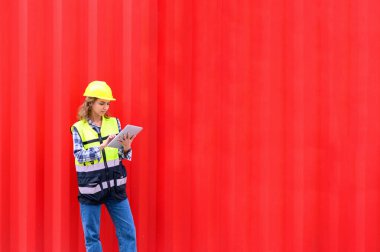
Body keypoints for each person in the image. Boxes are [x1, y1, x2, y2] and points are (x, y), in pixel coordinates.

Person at [70, 80, 137, 252]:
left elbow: (121, 155)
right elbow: (79, 155)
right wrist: (101, 147)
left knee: (128, 233)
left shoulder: (115, 123)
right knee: (92, 237)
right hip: (90, 189)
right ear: (90, 102)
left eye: (108, 103)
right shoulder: (79, 128)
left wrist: (127, 148)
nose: (105, 107)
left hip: (115, 187)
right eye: (102, 103)